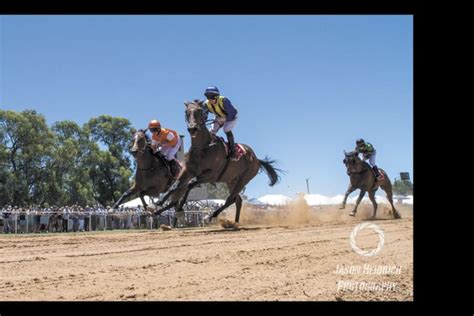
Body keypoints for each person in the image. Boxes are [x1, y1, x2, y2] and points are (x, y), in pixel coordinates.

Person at [203, 86, 238, 158]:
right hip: (218, 116)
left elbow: (232, 114)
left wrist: (224, 119)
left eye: (211, 97)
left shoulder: (224, 101)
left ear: (216, 96)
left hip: (232, 116)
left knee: (226, 129)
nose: (210, 99)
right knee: (211, 132)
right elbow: (205, 115)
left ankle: (232, 151)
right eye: (208, 97)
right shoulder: (206, 104)